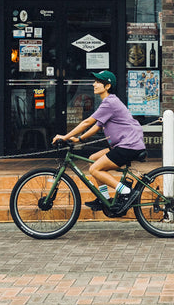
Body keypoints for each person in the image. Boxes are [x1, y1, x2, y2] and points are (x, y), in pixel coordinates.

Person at [52, 70, 146, 213]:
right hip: (124, 144)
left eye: (98, 82)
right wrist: (79, 139)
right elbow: (96, 127)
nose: (94, 84)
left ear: (107, 86)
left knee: (94, 168)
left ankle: (127, 192)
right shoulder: (109, 102)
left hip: (129, 145)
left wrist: (64, 137)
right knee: (93, 159)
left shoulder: (110, 102)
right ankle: (104, 198)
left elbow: (87, 122)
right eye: (94, 81)